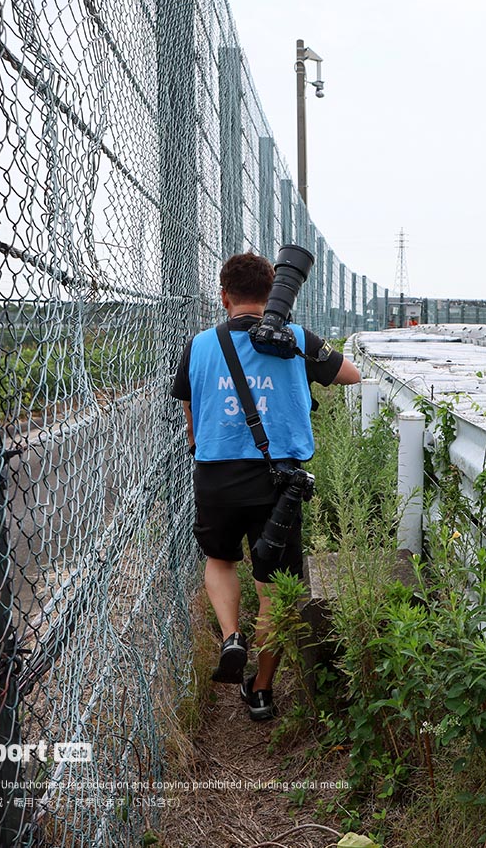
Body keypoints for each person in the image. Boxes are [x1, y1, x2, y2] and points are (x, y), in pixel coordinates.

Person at [170, 252, 361, 720]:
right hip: (279, 480)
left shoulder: (199, 344)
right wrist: (298, 347)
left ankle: (231, 634)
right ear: (276, 292)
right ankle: (260, 690)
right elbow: (351, 375)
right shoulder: (293, 338)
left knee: (220, 560)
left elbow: (192, 419)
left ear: (224, 296)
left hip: (216, 473)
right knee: (275, 586)